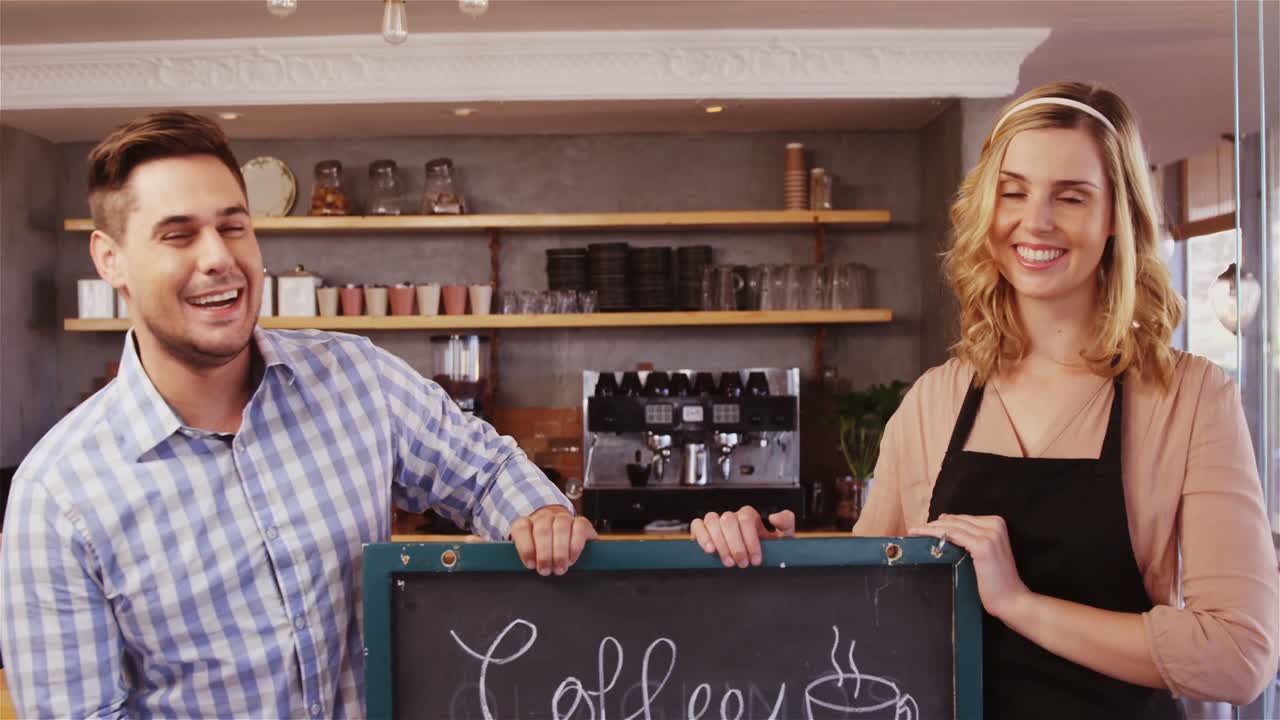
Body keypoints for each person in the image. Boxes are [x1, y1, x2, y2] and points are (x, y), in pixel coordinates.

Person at [692, 81, 1278, 717]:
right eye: (1014, 191)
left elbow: (1239, 656)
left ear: (1117, 218)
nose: (1037, 221)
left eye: (1072, 197)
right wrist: (777, 555)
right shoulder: (933, 402)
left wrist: (1019, 604)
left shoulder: (1188, 398)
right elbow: (863, 612)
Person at [0, 111, 597, 719]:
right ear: (111, 260)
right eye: (177, 235)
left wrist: (540, 514)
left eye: (233, 227)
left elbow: (487, 471)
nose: (218, 258)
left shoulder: (354, 376)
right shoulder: (57, 497)